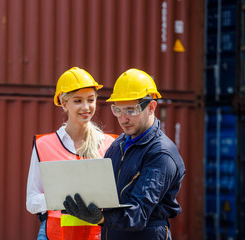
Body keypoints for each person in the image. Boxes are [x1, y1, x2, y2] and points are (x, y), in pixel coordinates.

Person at [63, 68, 186, 240]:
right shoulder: (119, 144)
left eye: (130, 110)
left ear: (151, 107)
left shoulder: (161, 154)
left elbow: (139, 212)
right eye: (117, 110)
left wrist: (101, 218)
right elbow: (103, 191)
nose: (123, 119)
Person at [26, 67, 117, 240]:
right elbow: (31, 201)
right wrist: (61, 197)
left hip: (98, 235)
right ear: (64, 103)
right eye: (78, 101)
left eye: (91, 100)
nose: (86, 107)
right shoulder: (43, 144)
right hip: (54, 235)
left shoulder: (110, 144)